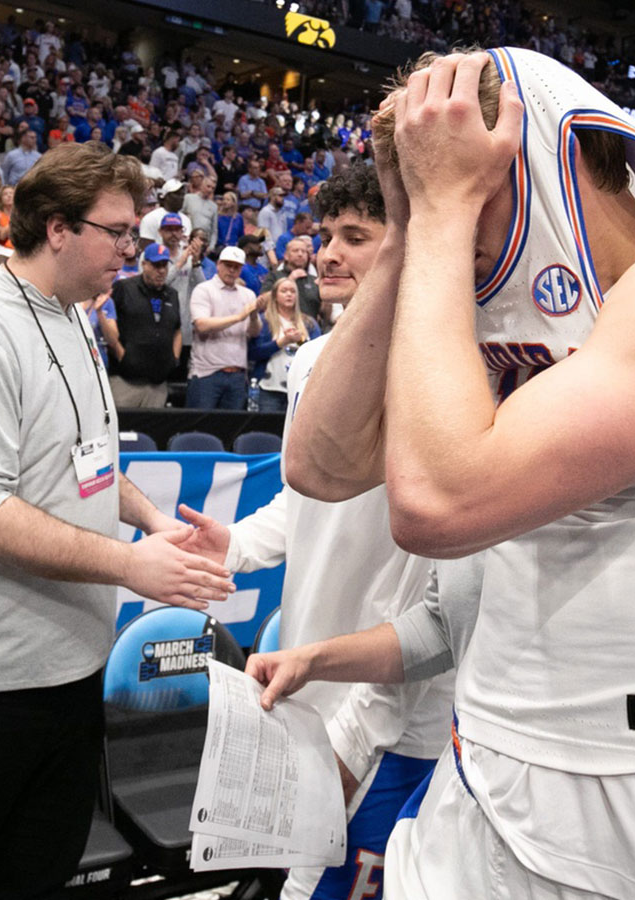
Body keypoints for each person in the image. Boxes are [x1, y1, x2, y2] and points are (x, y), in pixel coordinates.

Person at [287, 49, 635, 900]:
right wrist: (406, 235)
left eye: (461, 179)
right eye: (424, 185)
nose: (445, 210)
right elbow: (321, 465)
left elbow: (436, 503)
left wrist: (443, 214)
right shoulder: (466, 274)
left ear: (540, 152)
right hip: (482, 758)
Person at [0, 141, 236, 899]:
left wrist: (150, 521)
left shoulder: (72, 317)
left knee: (37, 877)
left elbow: (85, 458)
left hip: (66, 672)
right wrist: (129, 564)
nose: (132, 249)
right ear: (58, 228)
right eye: (118, 232)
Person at [179, 165, 449, 900]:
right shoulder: (314, 359)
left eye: (355, 237)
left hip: (388, 721)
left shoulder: (443, 370)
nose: (327, 253)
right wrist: (236, 545)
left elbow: (432, 590)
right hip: (306, 679)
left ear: (408, 243)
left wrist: (358, 739)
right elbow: (304, 498)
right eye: (327, 235)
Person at [102, 241, 181, 409]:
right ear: (144, 264)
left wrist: (174, 358)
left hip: (158, 385)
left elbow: (177, 329)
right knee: (122, 425)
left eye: (164, 265)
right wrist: (122, 355)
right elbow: (109, 322)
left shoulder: (172, 294)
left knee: (155, 427)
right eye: (156, 265)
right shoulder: (124, 288)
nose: (161, 271)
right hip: (125, 382)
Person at [186, 244, 259, 409]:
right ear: (218, 264)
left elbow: (254, 333)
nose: (231, 270)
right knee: (200, 423)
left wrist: (254, 316)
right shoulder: (204, 290)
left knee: (233, 424)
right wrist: (238, 317)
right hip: (207, 373)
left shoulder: (248, 294)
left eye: (236, 267)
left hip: (238, 374)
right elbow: (201, 325)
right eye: (228, 265)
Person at [249, 277, 311, 412]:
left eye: (292, 291)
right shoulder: (264, 321)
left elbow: (316, 355)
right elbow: (253, 353)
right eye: (284, 291)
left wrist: (301, 341)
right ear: (275, 296)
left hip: (298, 389)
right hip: (269, 388)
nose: (289, 294)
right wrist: (281, 342)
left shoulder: (308, 323)